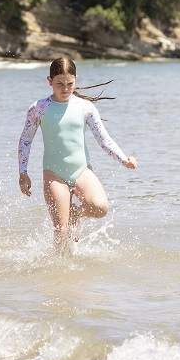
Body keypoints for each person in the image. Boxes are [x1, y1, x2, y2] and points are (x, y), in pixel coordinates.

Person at [16, 57, 138, 250]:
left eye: (70, 84)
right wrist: (23, 172)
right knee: (62, 231)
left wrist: (124, 159)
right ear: (49, 81)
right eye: (59, 84)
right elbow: (25, 140)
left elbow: (103, 139)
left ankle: (75, 213)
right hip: (54, 173)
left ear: (76, 80)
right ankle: (62, 273)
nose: (65, 89)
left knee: (100, 208)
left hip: (81, 169)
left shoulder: (85, 107)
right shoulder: (39, 108)